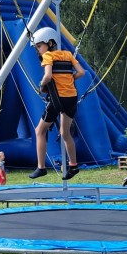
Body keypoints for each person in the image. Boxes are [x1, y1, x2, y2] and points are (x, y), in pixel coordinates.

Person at [29, 26, 86, 180]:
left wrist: (42, 86)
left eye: (39, 46)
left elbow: (47, 76)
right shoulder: (68, 55)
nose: (39, 50)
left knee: (39, 131)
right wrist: (68, 79)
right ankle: (73, 165)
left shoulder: (48, 56)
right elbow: (81, 72)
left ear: (50, 42)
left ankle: (41, 167)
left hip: (57, 99)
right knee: (65, 133)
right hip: (71, 98)